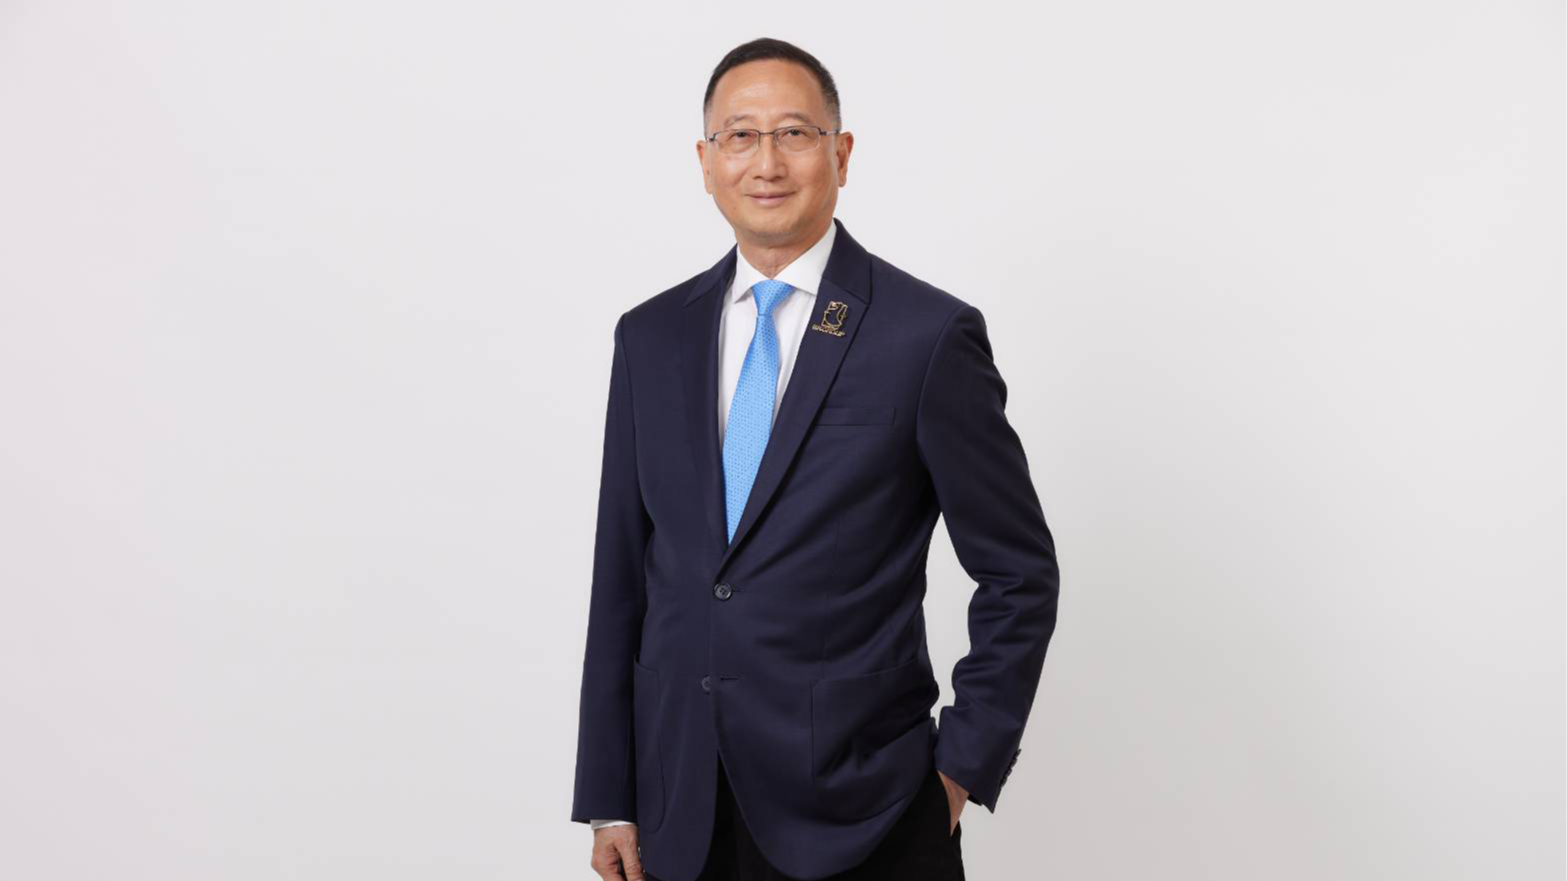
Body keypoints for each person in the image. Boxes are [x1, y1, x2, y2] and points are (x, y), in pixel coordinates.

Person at [569, 37, 1060, 881]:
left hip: (866, 810)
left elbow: (1018, 572)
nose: (766, 162)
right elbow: (622, 575)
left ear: (841, 154)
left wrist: (958, 770)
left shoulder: (924, 336)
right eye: (740, 136)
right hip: (680, 807)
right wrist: (609, 793)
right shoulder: (650, 336)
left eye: (794, 134)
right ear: (705, 161)